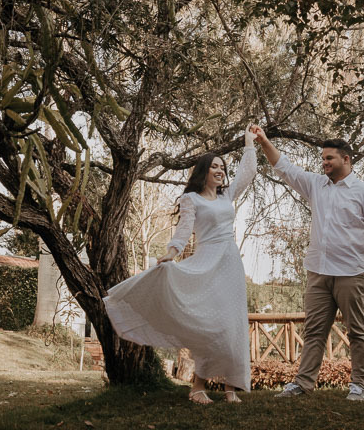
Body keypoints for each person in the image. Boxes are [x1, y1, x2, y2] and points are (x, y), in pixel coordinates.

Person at [251, 128, 364, 401]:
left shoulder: (363, 193)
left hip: (352, 273)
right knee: (313, 331)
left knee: (358, 331)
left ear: (346, 159)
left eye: (329, 158)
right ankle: (302, 384)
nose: (324, 163)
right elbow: (284, 168)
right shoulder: (315, 185)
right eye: (323, 158)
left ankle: (359, 385)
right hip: (318, 273)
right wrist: (265, 142)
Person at [103, 125, 259, 404]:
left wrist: (249, 143)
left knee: (233, 324)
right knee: (212, 325)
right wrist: (171, 253)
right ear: (203, 171)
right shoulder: (191, 198)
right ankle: (198, 387)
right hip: (207, 262)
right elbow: (185, 229)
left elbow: (248, 173)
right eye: (214, 166)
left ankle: (230, 388)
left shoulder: (227, 195)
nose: (220, 170)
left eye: (222, 166)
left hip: (231, 265)